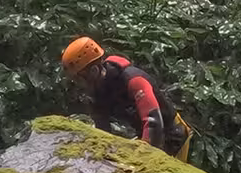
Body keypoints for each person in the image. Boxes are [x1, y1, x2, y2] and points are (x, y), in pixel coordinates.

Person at [61, 36, 193, 162]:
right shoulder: (97, 92)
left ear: (94, 71)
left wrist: (144, 154)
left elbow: (153, 120)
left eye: (78, 78)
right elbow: (102, 129)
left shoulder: (132, 80)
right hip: (145, 132)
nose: (78, 84)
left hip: (172, 134)